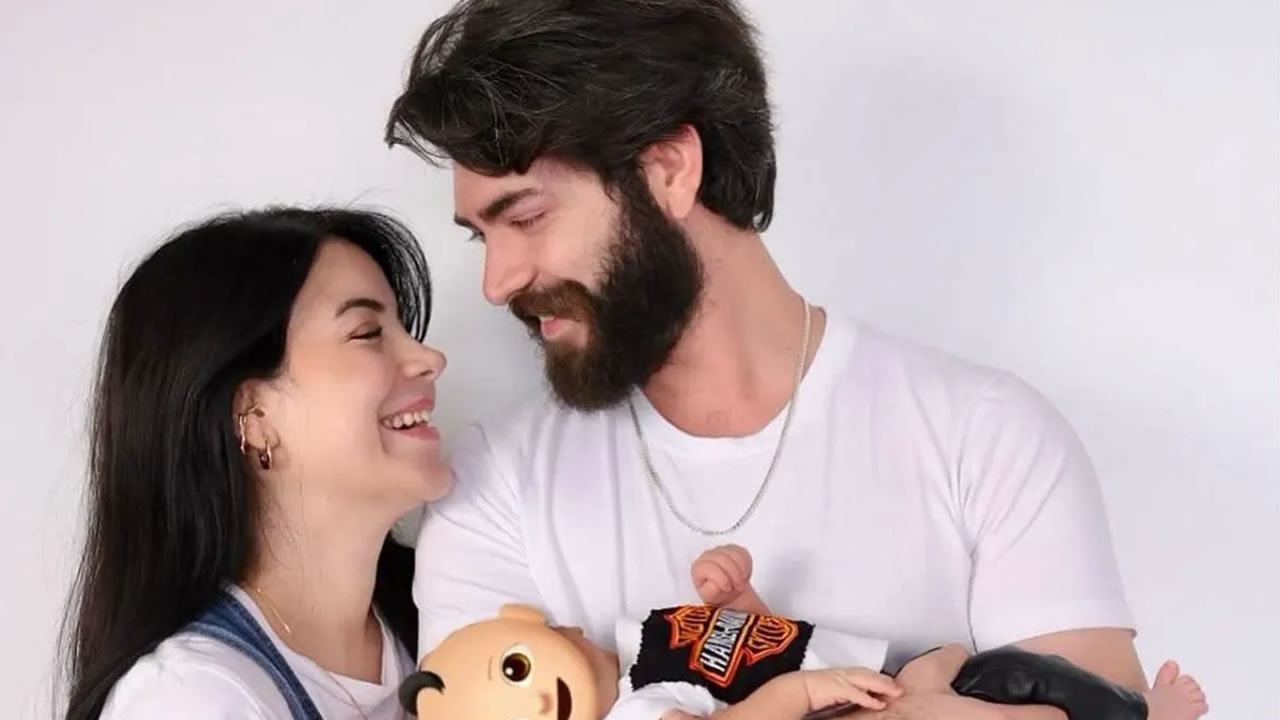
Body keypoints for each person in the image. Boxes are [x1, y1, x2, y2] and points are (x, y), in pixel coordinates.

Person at [384, 1, 1154, 718]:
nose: (497, 282)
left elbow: (1105, 709)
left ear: (670, 171)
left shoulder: (985, 435)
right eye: (482, 236)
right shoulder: (496, 486)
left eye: (525, 217)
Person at [57, 207, 452, 720]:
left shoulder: (449, 611)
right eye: (367, 332)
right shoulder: (191, 699)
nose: (430, 358)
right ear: (255, 417)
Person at [397, 545, 1207, 720]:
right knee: (954, 706)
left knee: (1001, 670)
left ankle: (1123, 708)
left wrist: (739, 601)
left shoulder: (644, 640)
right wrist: (805, 689)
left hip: (881, 680)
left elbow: (747, 655)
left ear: (546, 627)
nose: (539, 704)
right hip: (862, 703)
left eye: (515, 673)